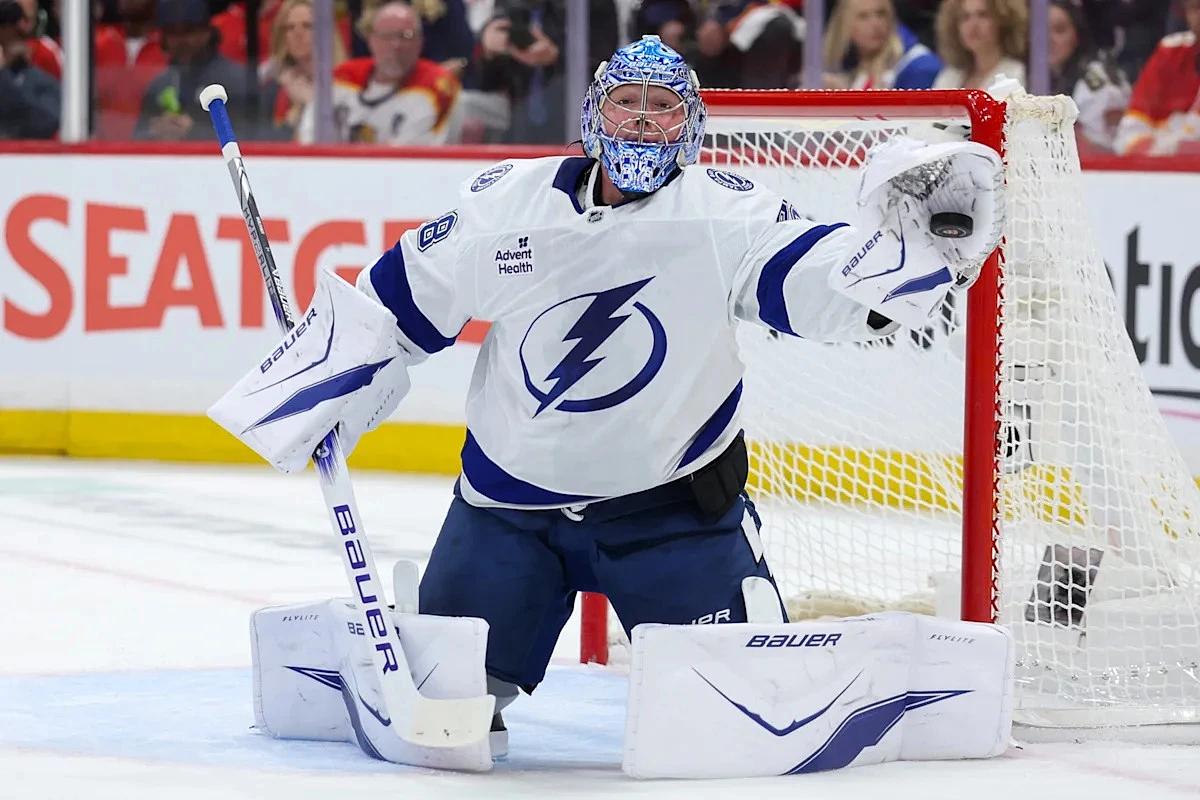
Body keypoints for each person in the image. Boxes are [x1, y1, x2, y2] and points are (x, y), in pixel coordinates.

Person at [213, 35, 1008, 772]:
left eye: (664, 108)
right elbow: (396, 305)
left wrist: (906, 262)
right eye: (628, 103)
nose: (644, 121)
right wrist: (322, 379)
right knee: (453, 705)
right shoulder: (505, 207)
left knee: (731, 723)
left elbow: (808, 278)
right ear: (594, 116)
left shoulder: (725, 214)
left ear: (692, 129)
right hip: (507, 515)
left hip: (672, 513)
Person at [313, 0, 460, 144]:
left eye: (406, 36)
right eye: (387, 36)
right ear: (370, 40)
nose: (396, 45)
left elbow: (404, 153)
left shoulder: (435, 87)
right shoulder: (342, 79)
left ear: (420, 42)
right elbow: (311, 138)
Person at [134, 0, 251, 141]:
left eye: (189, 30)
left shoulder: (236, 81)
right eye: (172, 32)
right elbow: (137, 137)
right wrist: (154, 132)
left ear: (207, 32)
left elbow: (251, 137)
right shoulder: (159, 84)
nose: (181, 40)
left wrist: (195, 131)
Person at [1113, 0, 1200, 156]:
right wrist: (1161, 152)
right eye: (1195, 7)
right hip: (1160, 167)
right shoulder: (1170, 52)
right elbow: (1128, 133)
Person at [1047, 0, 1129, 153]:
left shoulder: (1096, 85)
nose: (1048, 39)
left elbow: (1103, 151)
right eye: (1041, 31)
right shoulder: (1033, 76)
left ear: (1077, 36)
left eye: (1059, 30)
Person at [822, 0, 942, 90]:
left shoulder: (920, 68)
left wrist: (847, 97)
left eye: (881, 14)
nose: (875, 24)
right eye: (863, 16)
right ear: (844, 25)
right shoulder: (855, 66)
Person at [933, 0, 1027, 90]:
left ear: (1003, 21)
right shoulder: (950, 75)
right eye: (965, 17)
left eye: (983, 15)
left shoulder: (1016, 74)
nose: (973, 25)